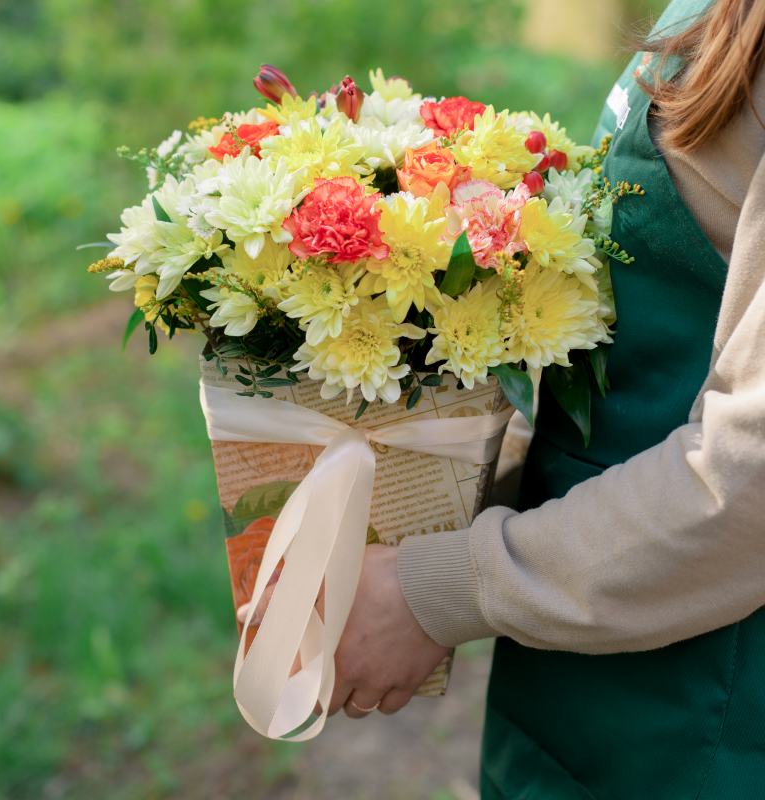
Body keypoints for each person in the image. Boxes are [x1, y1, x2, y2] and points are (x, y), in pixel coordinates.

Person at [327, 0, 765, 796]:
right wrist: (438, 475)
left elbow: (752, 482)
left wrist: (439, 590)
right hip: (594, 666)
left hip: (712, 719)